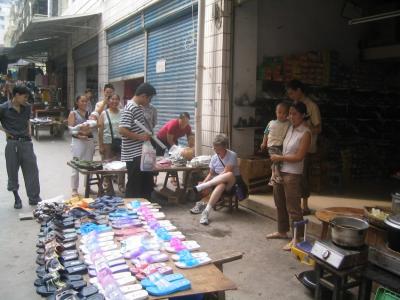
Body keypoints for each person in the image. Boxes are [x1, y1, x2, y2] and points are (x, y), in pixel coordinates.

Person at [266, 102, 311, 251]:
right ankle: (282, 231)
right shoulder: (289, 128)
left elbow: (299, 156)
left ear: (303, 115)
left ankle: (297, 238)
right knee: (279, 202)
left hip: (293, 173)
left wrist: (279, 158)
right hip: (281, 170)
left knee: (293, 207)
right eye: (290, 113)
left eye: (294, 114)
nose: (291, 116)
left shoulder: (306, 133)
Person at [0, 85, 42, 209]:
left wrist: (29, 131)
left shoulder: (27, 107)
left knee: (32, 170)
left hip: (26, 143)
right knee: (12, 171)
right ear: (17, 95)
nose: (26, 99)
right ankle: (16, 197)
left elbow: (28, 119)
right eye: (25, 96)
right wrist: (5, 131)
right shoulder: (3, 108)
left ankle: (34, 197)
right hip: (12, 143)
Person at [286, 80, 321, 215]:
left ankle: (304, 206)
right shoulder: (293, 106)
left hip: (306, 147)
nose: (290, 96)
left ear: (299, 90)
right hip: (293, 146)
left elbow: (318, 128)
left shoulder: (312, 106)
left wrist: (304, 128)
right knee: (295, 177)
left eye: (291, 93)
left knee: (303, 176)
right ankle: (296, 204)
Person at [190, 134, 240, 225]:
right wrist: (205, 182)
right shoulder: (214, 158)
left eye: (218, 148)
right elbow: (210, 173)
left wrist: (208, 183)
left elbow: (227, 171)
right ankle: (206, 212)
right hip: (218, 184)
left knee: (229, 174)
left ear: (225, 147)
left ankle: (203, 186)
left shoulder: (232, 155)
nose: (216, 150)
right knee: (221, 185)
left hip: (232, 184)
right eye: (215, 148)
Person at [119, 83, 156, 199]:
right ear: (144, 96)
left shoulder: (138, 107)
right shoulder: (130, 108)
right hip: (133, 155)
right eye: (149, 98)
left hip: (141, 153)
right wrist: (140, 137)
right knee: (135, 186)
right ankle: (132, 209)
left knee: (145, 184)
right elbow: (122, 129)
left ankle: (145, 208)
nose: (149, 102)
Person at [68, 95, 95, 197]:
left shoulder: (90, 114)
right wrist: (80, 136)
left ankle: (88, 186)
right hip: (78, 142)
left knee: (89, 165)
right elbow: (71, 130)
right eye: (82, 101)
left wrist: (89, 130)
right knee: (76, 164)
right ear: (77, 102)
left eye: (86, 101)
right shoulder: (73, 113)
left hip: (89, 141)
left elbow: (93, 127)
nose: (84, 103)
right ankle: (74, 188)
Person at [98, 94, 124, 193]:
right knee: (107, 164)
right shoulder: (104, 114)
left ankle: (121, 185)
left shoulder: (122, 113)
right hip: (107, 143)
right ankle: (107, 185)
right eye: (112, 99)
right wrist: (100, 145)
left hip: (121, 142)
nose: (114, 101)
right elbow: (100, 131)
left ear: (119, 101)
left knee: (122, 164)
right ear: (108, 101)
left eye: (117, 99)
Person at [260, 102, 290, 185]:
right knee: (277, 160)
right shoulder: (271, 123)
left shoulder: (288, 123)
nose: (281, 115)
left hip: (281, 146)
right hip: (272, 145)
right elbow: (266, 133)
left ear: (287, 114)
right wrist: (263, 143)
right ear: (276, 112)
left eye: (284, 113)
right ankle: (276, 175)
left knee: (277, 161)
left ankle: (272, 178)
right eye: (279, 112)